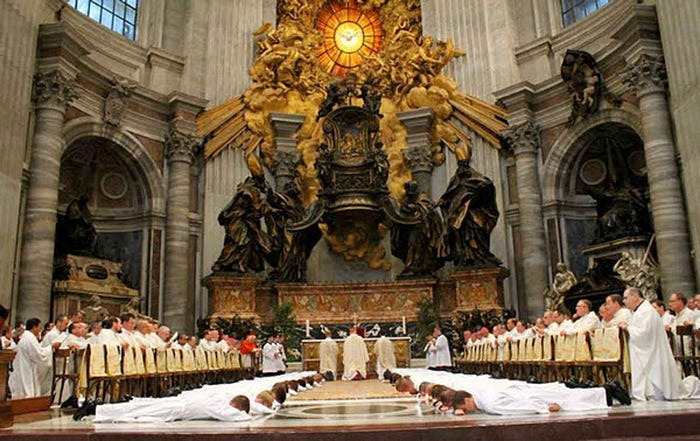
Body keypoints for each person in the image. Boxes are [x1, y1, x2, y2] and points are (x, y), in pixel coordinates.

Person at [619, 287, 700, 401]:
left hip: (651, 353)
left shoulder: (646, 311)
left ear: (635, 297)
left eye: (626, 298)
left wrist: (627, 328)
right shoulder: (639, 311)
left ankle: (654, 393)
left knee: (655, 384)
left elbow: (644, 334)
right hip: (647, 352)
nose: (624, 301)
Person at [8, 318, 62, 398]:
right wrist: (51, 346)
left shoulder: (27, 336)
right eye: (39, 327)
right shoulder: (29, 338)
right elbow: (39, 354)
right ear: (34, 327)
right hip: (26, 367)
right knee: (27, 392)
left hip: (25, 365)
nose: (40, 330)